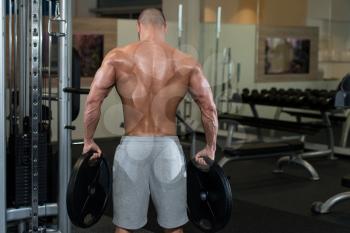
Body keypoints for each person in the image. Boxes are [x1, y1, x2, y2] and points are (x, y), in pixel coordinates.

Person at [83, 8, 218, 233]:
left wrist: (88, 139)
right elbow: (209, 107)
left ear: (138, 26)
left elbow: (93, 101)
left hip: (133, 146)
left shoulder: (118, 58)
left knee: (124, 227)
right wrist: (211, 147)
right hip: (168, 149)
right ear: (165, 27)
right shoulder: (186, 62)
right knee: (174, 227)